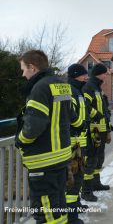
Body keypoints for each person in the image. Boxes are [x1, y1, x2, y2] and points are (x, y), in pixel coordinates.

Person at [15, 50, 73, 223]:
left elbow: (34, 126)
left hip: (44, 161)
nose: (22, 74)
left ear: (32, 67)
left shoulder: (39, 88)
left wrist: (20, 141)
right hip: (60, 157)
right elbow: (71, 115)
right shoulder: (61, 84)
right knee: (57, 207)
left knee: (45, 213)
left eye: (23, 69)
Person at [82, 63, 112, 201]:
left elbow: (104, 107)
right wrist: (98, 116)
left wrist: (107, 124)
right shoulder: (89, 87)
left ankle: (96, 183)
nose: (106, 75)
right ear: (99, 74)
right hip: (94, 130)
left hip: (101, 129)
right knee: (91, 160)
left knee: (99, 158)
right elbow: (85, 108)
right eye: (105, 73)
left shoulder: (97, 88)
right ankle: (86, 190)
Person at [67, 63, 90, 223]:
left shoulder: (78, 91)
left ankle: (75, 204)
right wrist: (80, 125)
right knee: (73, 180)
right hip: (73, 143)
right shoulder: (71, 92)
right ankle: (70, 215)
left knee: (79, 177)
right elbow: (70, 116)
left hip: (80, 141)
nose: (86, 77)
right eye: (83, 75)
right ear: (76, 75)